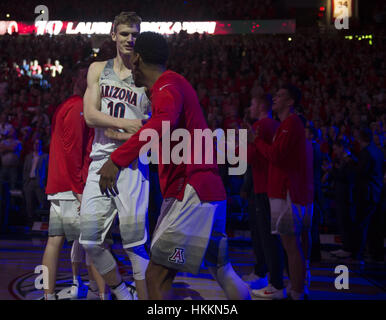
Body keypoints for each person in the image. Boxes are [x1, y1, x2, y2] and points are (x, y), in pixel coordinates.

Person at [97, 31, 251, 300]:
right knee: (223, 270)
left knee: (157, 275)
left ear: (138, 59)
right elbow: (162, 131)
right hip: (209, 191)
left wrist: (116, 159)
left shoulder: (167, 86)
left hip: (190, 191)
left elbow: (161, 125)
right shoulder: (174, 85)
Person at [80, 12, 151, 300]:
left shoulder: (146, 76)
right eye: (124, 33)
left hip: (133, 164)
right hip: (101, 160)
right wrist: (125, 125)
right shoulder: (98, 69)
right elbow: (89, 115)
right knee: (89, 240)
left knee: (134, 245)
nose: (129, 39)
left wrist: (129, 130)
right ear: (113, 35)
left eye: (134, 34)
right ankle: (122, 292)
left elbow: (151, 126)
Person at [42, 63, 105, 300]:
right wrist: (80, 191)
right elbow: (72, 152)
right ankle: (102, 294)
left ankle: (50, 295)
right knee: (93, 244)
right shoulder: (78, 107)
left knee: (54, 241)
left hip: (60, 186)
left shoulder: (67, 105)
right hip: (70, 189)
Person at [252, 85, 313, 300]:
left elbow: (277, 156)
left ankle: (296, 293)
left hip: (287, 191)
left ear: (291, 102)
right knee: (294, 245)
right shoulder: (287, 124)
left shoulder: (291, 123)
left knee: (291, 245)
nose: (275, 98)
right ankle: (299, 289)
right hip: (290, 191)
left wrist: (257, 141)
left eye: (280, 95)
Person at [245, 94, 286, 299]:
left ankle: (275, 282)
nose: (250, 106)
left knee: (268, 238)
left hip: (264, 187)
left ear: (261, 105)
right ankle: (270, 278)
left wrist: (244, 141)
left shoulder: (262, 125)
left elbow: (250, 156)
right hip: (266, 187)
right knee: (268, 237)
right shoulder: (272, 125)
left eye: (252, 103)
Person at [22, 138, 48, 224]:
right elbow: (25, 170)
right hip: (29, 182)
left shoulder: (45, 156)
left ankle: (42, 222)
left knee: (42, 202)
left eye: (38, 144)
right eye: (35, 144)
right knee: (29, 204)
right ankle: (30, 222)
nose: (36, 145)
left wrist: (45, 183)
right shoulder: (29, 156)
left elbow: (48, 170)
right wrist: (25, 182)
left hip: (39, 182)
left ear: (41, 145)